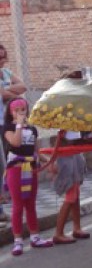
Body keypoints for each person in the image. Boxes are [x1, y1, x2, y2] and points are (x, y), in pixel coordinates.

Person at [3, 98, 54, 255]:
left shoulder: (32, 129)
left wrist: (50, 162)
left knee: (30, 204)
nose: (21, 112)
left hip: (31, 168)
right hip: (16, 169)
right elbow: (16, 143)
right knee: (18, 205)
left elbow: (36, 151)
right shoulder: (8, 128)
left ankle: (35, 237)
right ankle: (18, 241)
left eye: (23, 109)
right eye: (17, 110)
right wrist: (18, 124)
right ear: (11, 112)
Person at [0, 44, 26, 223]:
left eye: (3, 56)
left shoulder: (6, 73)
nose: (2, 60)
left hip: (6, 122)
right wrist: (11, 93)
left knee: (10, 162)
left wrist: (7, 93)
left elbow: (23, 86)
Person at [50, 131, 90, 244]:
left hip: (75, 147)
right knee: (71, 194)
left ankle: (77, 228)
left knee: (76, 191)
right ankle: (59, 233)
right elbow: (58, 134)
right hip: (65, 148)